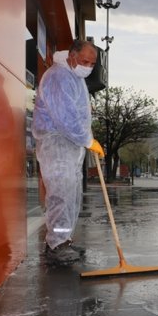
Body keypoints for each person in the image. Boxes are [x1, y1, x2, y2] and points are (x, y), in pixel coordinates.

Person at [32, 40, 105, 263]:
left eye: (92, 63)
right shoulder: (59, 76)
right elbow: (65, 117)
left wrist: (87, 139)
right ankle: (56, 245)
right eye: (84, 61)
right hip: (58, 144)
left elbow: (79, 115)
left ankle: (63, 240)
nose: (88, 67)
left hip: (70, 145)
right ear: (72, 56)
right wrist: (87, 139)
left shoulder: (76, 77)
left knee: (71, 196)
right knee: (61, 195)